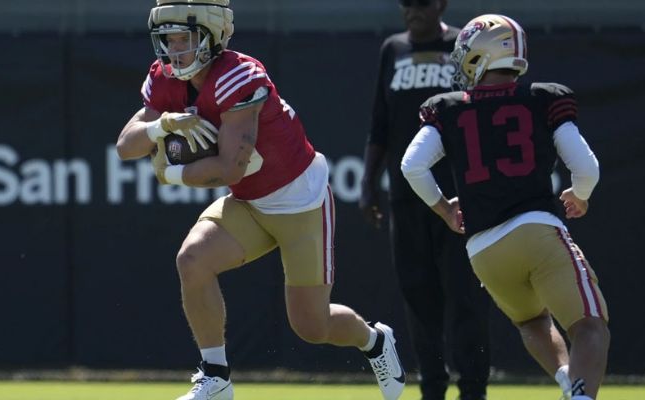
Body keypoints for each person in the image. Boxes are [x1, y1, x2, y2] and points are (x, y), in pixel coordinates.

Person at [115, 1, 405, 399]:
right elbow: (125, 146)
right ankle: (216, 377)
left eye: (184, 37)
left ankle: (374, 341)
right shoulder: (166, 78)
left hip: (299, 203)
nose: (173, 48)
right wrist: (162, 124)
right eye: (168, 38)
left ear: (212, 35)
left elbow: (230, 168)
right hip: (250, 203)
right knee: (192, 260)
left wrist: (172, 172)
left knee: (311, 326)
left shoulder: (240, 75)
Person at [401, 14, 610, 400]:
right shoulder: (544, 98)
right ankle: (581, 395)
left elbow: (411, 165)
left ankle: (569, 383)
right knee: (590, 326)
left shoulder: (448, 108)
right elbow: (586, 167)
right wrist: (580, 194)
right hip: (536, 231)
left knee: (532, 321)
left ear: (480, 56)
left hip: (483, 250)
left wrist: (444, 209)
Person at [359, 0, 491, 399]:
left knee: (466, 297)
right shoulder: (393, 50)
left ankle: (473, 390)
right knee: (419, 297)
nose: (413, 10)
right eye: (407, 3)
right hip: (407, 198)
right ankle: (432, 388)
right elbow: (379, 124)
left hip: (460, 197)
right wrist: (369, 182)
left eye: (422, 2)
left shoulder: (463, 46)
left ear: (441, 4)